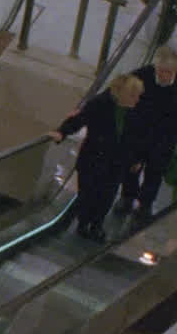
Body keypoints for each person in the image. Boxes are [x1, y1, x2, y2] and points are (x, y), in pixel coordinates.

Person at [53, 71, 147, 242]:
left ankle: (96, 225)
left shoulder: (135, 111)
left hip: (116, 163)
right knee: (87, 194)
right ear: (123, 94)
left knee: (107, 196)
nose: (137, 100)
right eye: (133, 96)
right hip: (93, 159)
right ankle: (84, 224)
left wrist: (137, 159)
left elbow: (137, 137)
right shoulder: (100, 104)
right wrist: (62, 132)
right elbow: (79, 119)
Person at [122, 44, 177, 220]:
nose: (164, 75)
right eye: (160, 71)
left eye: (168, 72)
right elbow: (122, 95)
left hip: (166, 135)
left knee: (156, 170)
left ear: (175, 69)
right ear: (155, 67)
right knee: (131, 166)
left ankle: (145, 204)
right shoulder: (140, 76)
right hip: (139, 131)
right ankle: (127, 197)